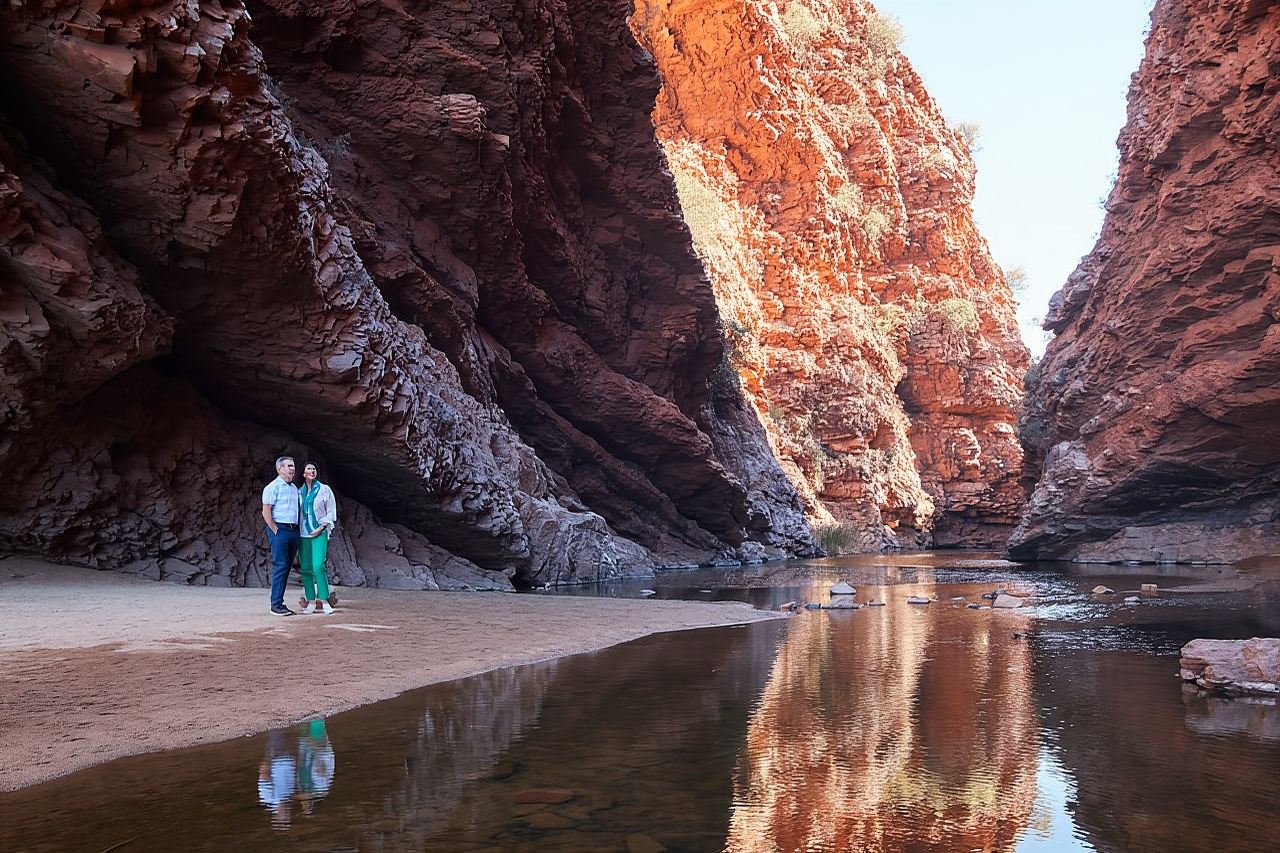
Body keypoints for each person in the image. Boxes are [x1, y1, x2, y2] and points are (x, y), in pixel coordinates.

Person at [262, 456, 301, 616]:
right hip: (280, 529)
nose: (292, 468)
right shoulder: (272, 487)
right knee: (281, 565)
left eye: (293, 466)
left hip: (294, 530)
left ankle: (279, 603)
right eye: (289, 466)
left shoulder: (294, 488)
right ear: (280, 469)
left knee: (286, 566)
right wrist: (275, 530)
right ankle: (276, 605)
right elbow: (266, 512)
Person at [298, 463, 338, 615]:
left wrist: (321, 528)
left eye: (314, 468)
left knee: (318, 566)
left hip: (319, 532)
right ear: (303, 474)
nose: (312, 470)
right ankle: (311, 601)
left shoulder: (324, 490)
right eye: (308, 468)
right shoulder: (298, 492)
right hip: (303, 534)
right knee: (306, 568)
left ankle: (324, 599)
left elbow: (331, 511)